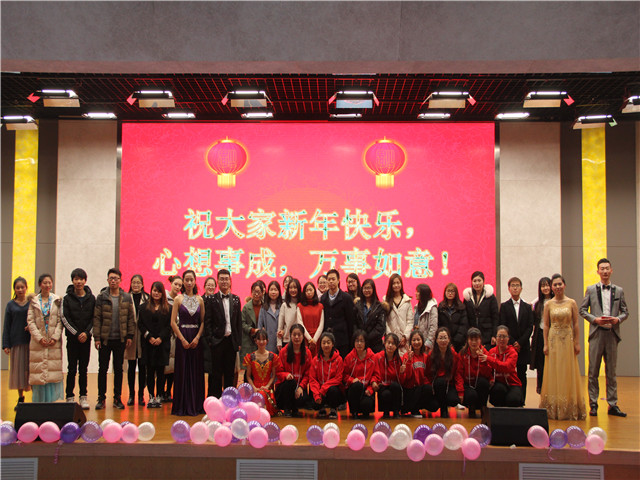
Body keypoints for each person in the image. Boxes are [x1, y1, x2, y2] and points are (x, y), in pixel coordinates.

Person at [580, 258, 629, 418]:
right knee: (593, 371)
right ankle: (593, 404)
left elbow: (625, 312)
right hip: (596, 334)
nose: (605, 271)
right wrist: (595, 319)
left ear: (611, 270)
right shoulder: (591, 289)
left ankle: (612, 404)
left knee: (611, 372)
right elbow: (582, 310)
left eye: (607, 268)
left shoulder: (619, 290)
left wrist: (617, 319)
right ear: (598, 271)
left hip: (612, 334)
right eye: (602, 268)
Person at [539, 275, 587, 420]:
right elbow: (546, 325)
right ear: (552, 288)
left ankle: (570, 407)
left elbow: (576, 324)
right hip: (553, 340)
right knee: (554, 371)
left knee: (567, 370)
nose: (558, 287)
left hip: (567, 339)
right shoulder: (548, 304)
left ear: (564, 285)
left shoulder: (572, 302)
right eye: (555, 285)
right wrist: (546, 344)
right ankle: (554, 407)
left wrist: (577, 342)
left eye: (560, 284)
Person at [93, 268, 135, 410]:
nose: (113, 281)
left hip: (120, 339)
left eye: (116, 278)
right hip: (105, 339)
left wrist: (130, 335)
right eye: (111, 278)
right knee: (102, 369)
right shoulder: (102, 297)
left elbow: (130, 318)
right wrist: (97, 338)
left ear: (120, 280)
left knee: (118, 369)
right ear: (107, 280)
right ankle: (101, 398)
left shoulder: (126, 297)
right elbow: (97, 318)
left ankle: (117, 398)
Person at [171, 270, 205, 416]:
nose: (189, 282)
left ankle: (196, 405)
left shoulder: (200, 300)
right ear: (183, 282)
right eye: (187, 280)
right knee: (182, 371)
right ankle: (182, 405)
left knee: (196, 371)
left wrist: (197, 338)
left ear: (195, 281)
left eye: (192, 280)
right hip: (183, 337)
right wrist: (182, 339)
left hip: (196, 338)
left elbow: (203, 321)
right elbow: (173, 322)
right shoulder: (178, 299)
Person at [61, 268, 96, 410]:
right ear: (72, 281)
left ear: (85, 281)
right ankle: (69, 396)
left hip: (86, 339)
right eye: (76, 279)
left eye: (81, 279)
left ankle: (83, 397)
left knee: (83, 369)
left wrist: (87, 333)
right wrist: (76, 334)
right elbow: (65, 318)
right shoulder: (67, 299)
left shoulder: (91, 298)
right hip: (72, 339)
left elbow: (94, 318)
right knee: (71, 368)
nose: (79, 282)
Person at [204, 269, 242, 399]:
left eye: (226, 279)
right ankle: (214, 400)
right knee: (215, 373)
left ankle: (229, 400)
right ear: (218, 281)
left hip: (231, 342)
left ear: (230, 281)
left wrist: (238, 342)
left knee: (229, 373)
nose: (224, 281)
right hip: (217, 342)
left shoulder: (236, 299)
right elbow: (207, 322)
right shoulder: (211, 299)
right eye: (222, 279)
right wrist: (211, 340)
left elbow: (238, 322)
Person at [27, 274, 64, 402]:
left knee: (52, 372)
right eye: (44, 283)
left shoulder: (57, 300)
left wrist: (55, 337)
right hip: (38, 343)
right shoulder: (34, 301)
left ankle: (51, 403)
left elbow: (60, 321)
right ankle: (39, 404)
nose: (47, 285)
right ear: (40, 284)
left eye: (49, 282)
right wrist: (39, 338)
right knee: (39, 372)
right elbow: (30, 321)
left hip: (53, 342)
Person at [499, 277, 533, 405]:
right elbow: (503, 325)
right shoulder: (504, 306)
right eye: (512, 285)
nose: (515, 288)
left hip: (523, 346)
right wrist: (513, 342)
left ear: (521, 288)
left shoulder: (527, 307)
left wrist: (520, 342)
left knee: (522, 373)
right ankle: (510, 399)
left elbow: (530, 327)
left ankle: (521, 400)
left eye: (517, 285)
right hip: (509, 346)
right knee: (508, 373)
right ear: (509, 289)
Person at [138, 281, 171, 408]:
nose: (156, 293)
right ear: (151, 291)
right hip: (148, 344)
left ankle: (159, 396)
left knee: (161, 373)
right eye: (154, 291)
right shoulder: (143, 307)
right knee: (150, 372)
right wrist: (149, 337)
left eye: (159, 291)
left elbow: (169, 326)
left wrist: (160, 338)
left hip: (162, 344)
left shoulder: (168, 308)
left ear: (163, 293)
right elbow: (140, 324)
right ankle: (151, 396)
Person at [3, 277, 31, 410]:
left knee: (31, 370)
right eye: (17, 287)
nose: (20, 290)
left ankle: (36, 399)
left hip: (31, 342)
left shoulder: (31, 303)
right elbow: (6, 326)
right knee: (19, 371)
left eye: (22, 287)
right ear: (14, 289)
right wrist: (6, 344)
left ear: (26, 288)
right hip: (16, 341)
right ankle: (21, 398)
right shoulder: (10, 305)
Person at [426, 327, 464, 418]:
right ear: (436, 340)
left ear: (449, 339)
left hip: (449, 384)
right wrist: (430, 387)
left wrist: (460, 391)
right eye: (440, 338)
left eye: (445, 338)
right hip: (436, 385)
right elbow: (427, 374)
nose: (443, 340)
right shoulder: (431, 355)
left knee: (454, 400)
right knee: (433, 404)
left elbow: (457, 374)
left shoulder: (454, 355)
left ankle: (445, 406)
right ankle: (443, 409)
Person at [276, 324, 311, 417]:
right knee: (290, 382)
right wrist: (286, 375)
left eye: (299, 335)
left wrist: (301, 387)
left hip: (299, 387)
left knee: (303, 399)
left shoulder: (307, 353)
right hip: (285, 387)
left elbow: (308, 374)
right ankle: (287, 408)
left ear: (303, 336)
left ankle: (295, 408)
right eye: (294, 334)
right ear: (290, 336)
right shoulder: (283, 351)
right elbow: (278, 372)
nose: (296, 337)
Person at [244, 328, 281, 415]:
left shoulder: (272, 356)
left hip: (267, 388)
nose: (261, 342)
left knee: (262, 395)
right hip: (255, 388)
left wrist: (267, 386)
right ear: (255, 341)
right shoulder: (250, 357)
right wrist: (253, 387)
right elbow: (248, 376)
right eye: (259, 339)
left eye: (263, 339)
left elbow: (273, 375)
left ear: (267, 341)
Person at [320, 269, 356, 358]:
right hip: (327, 340)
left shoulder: (346, 298)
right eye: (329, 279)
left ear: (338, 280)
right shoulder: (323, 298)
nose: (331, 281)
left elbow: (351, 321)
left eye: (333, 279)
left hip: (342, 340)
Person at [309, 331, 345, 419]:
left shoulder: (339, 359)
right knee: (313, 398)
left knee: (333, 390)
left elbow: (338, 378)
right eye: (324, 343)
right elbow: (312, 379)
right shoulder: (315, 360)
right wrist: (317, 394)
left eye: (328, 342)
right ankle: (321, 408)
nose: (326, 345)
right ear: (320, 344)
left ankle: (333, 409)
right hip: (319, 390)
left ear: (333, 344)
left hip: (331, 391)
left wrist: (324, 388)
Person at [125, 274, 149, 406]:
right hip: (130, 337)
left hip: (143, 337)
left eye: (138, 282)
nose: (136, 285)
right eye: (134, 282)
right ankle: (131, 395)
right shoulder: (125, 297)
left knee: (143, 367)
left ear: (142, 284)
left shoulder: (147, 298)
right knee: (131, 366)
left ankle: (141, 395)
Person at [458, 328, 491, 418]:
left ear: (480, 340)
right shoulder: (462, 353)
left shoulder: (485, 353)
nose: (473, 342)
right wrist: (460, 392)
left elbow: (488, 374)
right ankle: (471, 409)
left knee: (483, 382)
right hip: (467, 385)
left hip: (479, 385)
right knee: (471, 395)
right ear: (467, 340)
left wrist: (482, 360)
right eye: (471, 339)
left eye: (476, 339)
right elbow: (459, 374)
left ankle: (483, 408)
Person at [487, 325, 523, 408]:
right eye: (499, 336)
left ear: (508, 338)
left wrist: (490, 359)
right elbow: (488, 369)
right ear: (495, 337)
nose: (502, 339)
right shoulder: (491, 352)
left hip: (512, 383)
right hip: (498, 384)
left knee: (513, 400)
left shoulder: (513, 352)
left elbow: (506, 367)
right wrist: (491, 378)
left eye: (504, 336)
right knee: (498, 391)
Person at [343, 330, 376, 418]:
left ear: (366, 343)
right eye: (357, 341)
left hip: (367, 389)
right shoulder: (349, 358)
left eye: (362, 341)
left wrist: (370, 389)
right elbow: (344, 375)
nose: (359, 344)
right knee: (357, 386)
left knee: (367, 404)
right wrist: (352, 380)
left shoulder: (373, 357)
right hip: (354, 389)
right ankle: (354, 412)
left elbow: (375, 375)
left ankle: (365, 411)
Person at [400, 330, 433, 417]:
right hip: (409, 389)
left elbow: (428, 375)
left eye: (418, 339)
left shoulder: (426, 357)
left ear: (422, 341)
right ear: (410, 342)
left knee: (428, 390)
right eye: (414, 340)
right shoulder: (406, 356)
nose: (416, 342)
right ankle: (411, 409)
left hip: (420, 388)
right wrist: (409, 360)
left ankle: (416, 408)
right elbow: (407, 377)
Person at [463, 271, 499, 350]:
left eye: (479, 280)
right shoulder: (467, 298)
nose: (477, 283)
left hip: (487, 335)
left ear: (483, 281)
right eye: (474, 281)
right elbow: (465, 318)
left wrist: (494, 335)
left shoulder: (491, 297)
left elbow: (495, 317)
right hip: (472, 335)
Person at [372, 333, 404, 419]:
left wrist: (402, 372)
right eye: (388, 342)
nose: (390, 345)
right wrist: (374, 382)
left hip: (394, 386)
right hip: (382, 386)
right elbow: (374, 373)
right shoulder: (377, 357)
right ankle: (385, 412)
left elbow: (401, 381)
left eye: (393, 343)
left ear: (397, 346)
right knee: (386, 393)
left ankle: (396, 411)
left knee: (395, 386)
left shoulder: (399, 360)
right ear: (384, 343)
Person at [530, 277, 553, 394]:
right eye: (543, 286)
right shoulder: (537, 304)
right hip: (539, 336)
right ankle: (542, 390)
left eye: (547, 285)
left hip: (553, 336)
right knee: (541, 365)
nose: (545, 288)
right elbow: (534, 322)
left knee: (553, 365)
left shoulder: (556, 302)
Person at [161, 275, 182, 403]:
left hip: (176, 335)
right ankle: (161, 392)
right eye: (176, 284)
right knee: (164, 365)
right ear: (171, 284)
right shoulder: (164, 297)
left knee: (173, 365)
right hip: (165, 334)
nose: (177, 287)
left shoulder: (180, 299)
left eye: (180, 285)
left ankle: (169, 391)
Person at [354, 279, 387, 354]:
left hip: (375, 344)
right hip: (359, 343)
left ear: (373, 289)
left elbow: (380, 327)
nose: (367, 290)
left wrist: (366, 338)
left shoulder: (379, 306)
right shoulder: (357, 305)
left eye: (369, 288)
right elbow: (354, 323)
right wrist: (360, 337)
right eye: (365, 288)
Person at [383, 273, 413, 356]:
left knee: (404, 361)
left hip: (404, 341)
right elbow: (384, 321)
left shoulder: (407, 300)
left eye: (398, 283)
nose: (396, 285)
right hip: (390, 340)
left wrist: (405, 336)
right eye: (394, 283)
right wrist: (390, 336)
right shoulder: (385, 300)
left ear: (401, 284)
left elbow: (410, 321)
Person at [241, 282, 263, 380]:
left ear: (262, 293)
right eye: (254, 292)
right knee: (249, 368)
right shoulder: (246, 307)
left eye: (258, 292)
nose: (256, 294)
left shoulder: (265, 306)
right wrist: (252, 330)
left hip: (262, 341)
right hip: (249, 340)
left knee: (261, 367)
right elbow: (242, 323)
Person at [438, 283, 469, 352]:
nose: (450, 293)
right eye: (448, 291)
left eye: (452, 291)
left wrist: (455, 341)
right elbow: (439, 325)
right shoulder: (441, 307)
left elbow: (463, 325)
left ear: (456, 293)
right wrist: (445, 339)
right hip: (444, 342)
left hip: (458, 343)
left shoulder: (461, 307)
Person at [297, 282, 324, 356]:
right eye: (306, 290)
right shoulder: (300, 306)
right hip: (304, 337)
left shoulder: (320, 306)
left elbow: (321, 325)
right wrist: (309, 339)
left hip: (317, 338)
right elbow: (300, 323)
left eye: (310, 290)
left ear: (314, 291)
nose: (309, 292)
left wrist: (314, 339)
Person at [258, 281, 282, 353]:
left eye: (275, 290)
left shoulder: (283, 306)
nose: (273, 292)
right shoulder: (264, 308)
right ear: (268, 292)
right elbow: (259, 326)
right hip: (268, 342)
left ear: (279, 292)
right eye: (271, 290)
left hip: (280, 341)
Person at [413, 283, 438, 354]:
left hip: (427, 344)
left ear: (423, 293)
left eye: (418, 292)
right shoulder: (417, 307)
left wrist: (428, 343)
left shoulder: (432, 307)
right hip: (417, 342)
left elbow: (433, 327)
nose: (415, 293)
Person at [277, 277, 301, 350]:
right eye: (290, 288)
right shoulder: (284, 305)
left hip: (300, 340)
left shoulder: (302, 305)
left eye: (295, 287)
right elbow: (280, 326)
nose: (293, 290)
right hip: (287, 340)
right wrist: (279, 342)